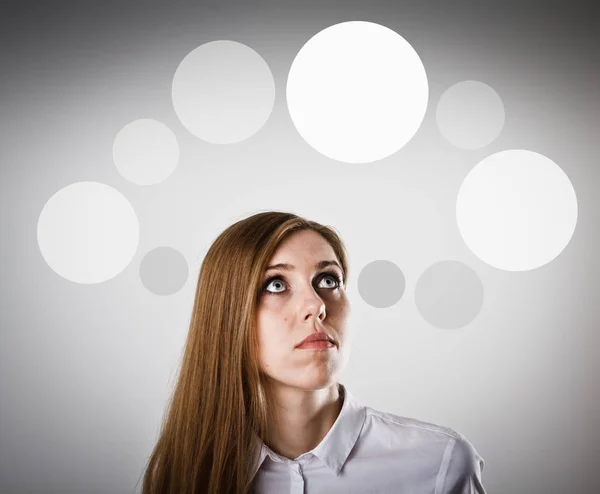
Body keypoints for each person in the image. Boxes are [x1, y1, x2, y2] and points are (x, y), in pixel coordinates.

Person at [138, 211, 486, 494]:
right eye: (276, 284)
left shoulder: (439, 462)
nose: (317, 305)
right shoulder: (182, 472)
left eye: (328, 281)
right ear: (227, 316)